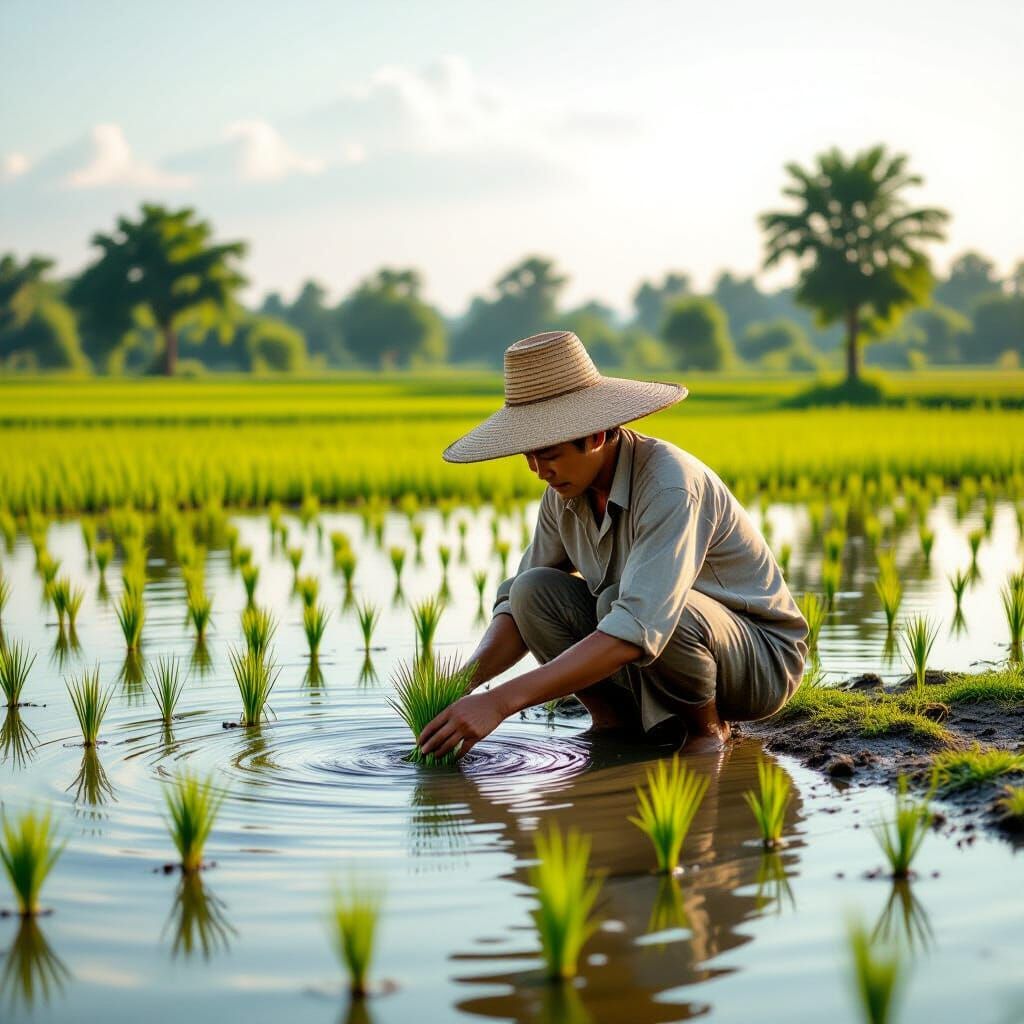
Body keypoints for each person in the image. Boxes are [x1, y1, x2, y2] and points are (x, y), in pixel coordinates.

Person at [417, 330, 808, 761]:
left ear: (597, 435)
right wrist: (461, 687)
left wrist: (500, 702)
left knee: (637, 606)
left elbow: (640, 622)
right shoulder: (564, 494)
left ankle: (707, 731)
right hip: (654, 644)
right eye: (527, 455)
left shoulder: (669, 486)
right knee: (530, 590)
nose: (539, 471)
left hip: (757, 661)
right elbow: (517, 608)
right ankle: (612, 724)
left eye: (549, 454)